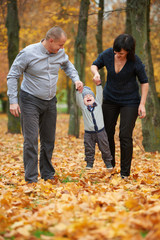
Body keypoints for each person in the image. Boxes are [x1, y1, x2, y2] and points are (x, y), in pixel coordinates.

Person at [7, 26, 83, 183]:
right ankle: (31, 179)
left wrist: (76, 79)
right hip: (30, 101)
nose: (62, 48)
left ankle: (47, 175)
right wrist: (13, 101)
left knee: (48, 140)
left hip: (50, 101)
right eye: (60, 45)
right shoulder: (28, 53)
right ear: (51, 40)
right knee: (31, 140)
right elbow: (13, 75)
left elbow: (68, 65)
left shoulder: (60, 53)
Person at [91, 33, 149, 179]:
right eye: (116, 52)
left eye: (121, 53)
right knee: (107, 133)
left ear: (128, 52)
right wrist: (96, 73)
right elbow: (94, 65)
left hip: (130, 101)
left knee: (125, 135)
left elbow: (144, 82)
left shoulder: (135, 62)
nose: (117, 55)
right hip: (110, 99)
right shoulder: (109, 54)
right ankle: (111, 165)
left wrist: (142, 104)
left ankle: (125, 173)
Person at [76, 85, 113, 171]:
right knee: (89, 148)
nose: (88, 97)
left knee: (105, 147)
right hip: (89, 134)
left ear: (94, 98)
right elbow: (78, 100)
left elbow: (99, 94)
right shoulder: (83, 108)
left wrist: (98, 85)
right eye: (85, 97)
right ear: (83, 101)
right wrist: (78, 91)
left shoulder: (98, 104)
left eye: (90, 95)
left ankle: (108, 163)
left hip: (101, 132)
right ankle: (89, 163)